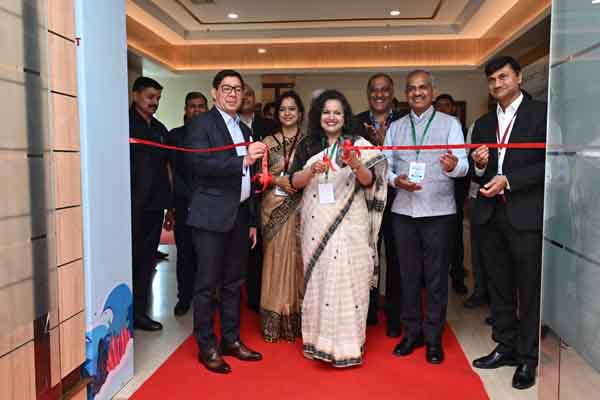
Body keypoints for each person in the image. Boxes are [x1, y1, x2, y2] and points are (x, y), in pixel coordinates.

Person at [290, 90, 388, 367]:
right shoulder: (308, 144)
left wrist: (356, 164)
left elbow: (370, 181)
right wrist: (311, 171)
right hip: (316, 223)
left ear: (345, 117)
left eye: (337, 113)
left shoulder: (358, 143)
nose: (331, 117)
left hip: (350, 223)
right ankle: (318, 342)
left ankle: (348, 346)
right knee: (320, 280)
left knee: (349, 279)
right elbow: (294, 182)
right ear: (318, 116)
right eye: (326, 112)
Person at [470, 56, 546, 390]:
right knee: (499, 287)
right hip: (491, 214)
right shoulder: (484, 123)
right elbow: (479, 172)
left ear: (519, 77)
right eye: (492, 80)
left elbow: (549, 163)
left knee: (528, 290)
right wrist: (478, 164)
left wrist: (509, 181)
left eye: (503, 77)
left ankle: (528, 357)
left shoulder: (540, 114)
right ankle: (506, 345)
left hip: (525, 214)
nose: (497, 84)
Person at [183, 70, 266, 374]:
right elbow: (198, 163)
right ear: (215, 92)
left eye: (238, 89)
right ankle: (206, 345)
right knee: (206, 285)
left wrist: (252, 220)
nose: (233, 94)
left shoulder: (243, 128)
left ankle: (231, 339)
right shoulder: (201, 124)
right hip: (210, 216)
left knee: (234, 283)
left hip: (240, 215)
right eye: (227, 88)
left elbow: (250, 180)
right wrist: (242, 160)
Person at [385, 70, 468, 364]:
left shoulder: (450, 124)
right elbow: (386, 165)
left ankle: (434, 338)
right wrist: (395, 180)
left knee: (436, 278)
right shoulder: (396, 127)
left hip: (439, 211)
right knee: (408, 276)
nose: (417, 93)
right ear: (405, 94)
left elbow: (464, 166)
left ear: (432, 91)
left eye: (423, 88)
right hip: (404, 211)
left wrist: (453, 166)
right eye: (411, 88)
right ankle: (412, 333)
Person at [354, 73, 403, 336]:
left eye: (384, 89)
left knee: (397, 259)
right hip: (365, 200)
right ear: (368, 93)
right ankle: (368, 312)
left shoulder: (405, 121)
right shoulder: (355, 122)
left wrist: (385, 145)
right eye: (374, 90)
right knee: (366, 256)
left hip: (398, 199)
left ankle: (395, 317)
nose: (379, 94)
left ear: (392, 92)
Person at [259, 91, 306, 342]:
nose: (287, 113)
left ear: (300, 113)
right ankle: (274, 319)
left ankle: (298, 318)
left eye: (292, 109)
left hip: (303, 207)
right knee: (275, 261)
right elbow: (258, 176)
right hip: (273, 208)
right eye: (282, 109)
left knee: (300, 261)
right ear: (277, 114)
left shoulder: (310, 142)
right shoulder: (266, 142)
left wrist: (297, 182)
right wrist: (278, 180)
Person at [129, 76, 172, 331]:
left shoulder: (160, 129)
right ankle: (122, 318)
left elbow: (167, 168)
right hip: (129, 207)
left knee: (146, 262)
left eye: (158, 98)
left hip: (154, 206)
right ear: (135, 95)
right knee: (129, 260)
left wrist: (169, 206)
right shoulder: (123, 124)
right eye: (150, 97)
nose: (154, 102)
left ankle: (140, 314)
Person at [167, 91, 208, 316]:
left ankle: (207, 298)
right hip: (184, 203)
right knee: (184, 253)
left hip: (210, 203)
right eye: (192, 106)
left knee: (208, 254)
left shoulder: (213, 135)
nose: (196, 110)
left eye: (201, 106)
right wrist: (177, 202)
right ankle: (184, 298)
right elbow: (172, 172)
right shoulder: (175, 136)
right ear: (185, 109)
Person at [239, 83, 278, 312]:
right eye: (242, 93)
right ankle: (244, 295)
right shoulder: (231, 126)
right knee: (243, 249)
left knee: (263, 248)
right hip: (241, 194)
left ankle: (262, 296)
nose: (246, 97)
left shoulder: (269, 125)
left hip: (269, 193)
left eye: (250, 94)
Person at [434, 94, 469, 295]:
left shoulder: (463, 130)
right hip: (432, 193)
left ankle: (457, 277)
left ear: (453, 108)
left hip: (455, 191)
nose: (442, 109)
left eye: (446, 105)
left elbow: (467, 166)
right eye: (438, 106)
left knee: (455, 239)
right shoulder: (429, 129)